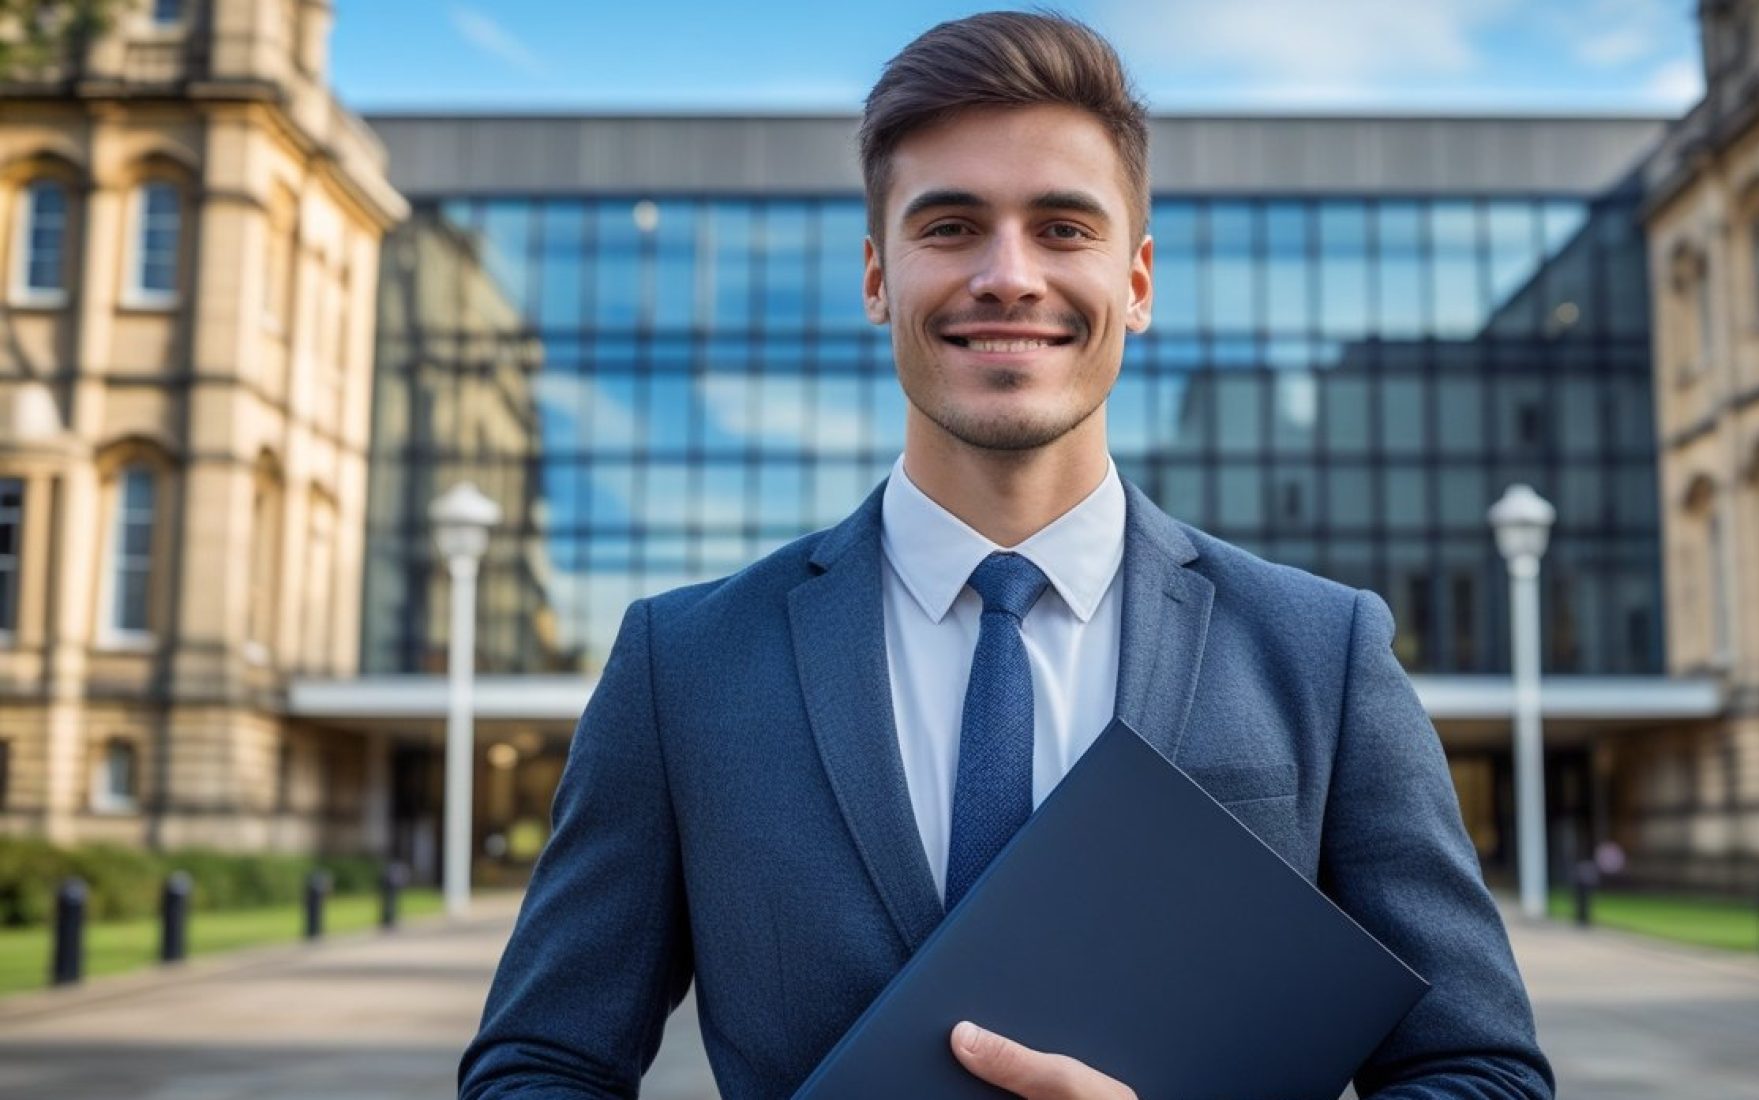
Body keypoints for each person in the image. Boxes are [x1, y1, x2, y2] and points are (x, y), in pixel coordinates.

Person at [458, 12, 1553, 1100]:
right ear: (879, 277)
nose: (1009, 275)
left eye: (1065, 228)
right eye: (951, 227)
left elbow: (1483, 1071)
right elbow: (538, 1064)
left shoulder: (1323, 651)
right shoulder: (684, 664)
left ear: (1138, 281)